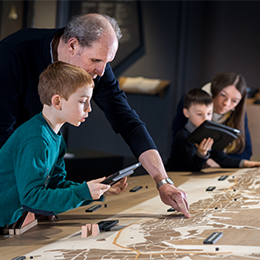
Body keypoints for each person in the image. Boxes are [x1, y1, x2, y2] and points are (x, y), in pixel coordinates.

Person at [0, 13, 190, 217]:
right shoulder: (13, 53)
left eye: (107, 62)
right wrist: (24, 206)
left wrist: (162, 181)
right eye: (96, 60)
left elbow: (127, 121)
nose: (102, 71)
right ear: (72, 46)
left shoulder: (97, 70)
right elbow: (3, 133)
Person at [0, 61, 130, 227]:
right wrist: (83, 192)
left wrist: (96, 190)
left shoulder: (55, 137)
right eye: (83, 101)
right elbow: (32, 198)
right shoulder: (36, 139)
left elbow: (55, 185)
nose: (89, 108)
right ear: (57, 102)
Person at [166, 89, 260, 171]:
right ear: (186, 113)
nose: (205, 119)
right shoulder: (182, 136)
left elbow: (220, 158)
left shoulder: (208, 133)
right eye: (199, 114)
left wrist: (245, 163)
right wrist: (201, 154)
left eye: (209, 113)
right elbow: (192, 167)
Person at [170, 72, 252, 162]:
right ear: (214, 90)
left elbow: (245, 152)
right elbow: (179, 143)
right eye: (223, 95)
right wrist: (204, 158)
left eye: (234, 101)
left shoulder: (237, 111)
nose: (226, 103)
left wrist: (221, 163)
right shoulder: (192, 102)